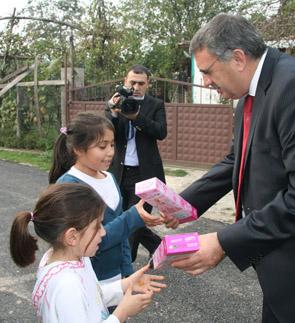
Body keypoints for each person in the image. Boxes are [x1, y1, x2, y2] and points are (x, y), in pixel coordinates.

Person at [171, 13, 295, 323]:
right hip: (285, 266)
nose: (205, 82)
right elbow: (234, 161)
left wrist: (224, 241)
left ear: (238, 58)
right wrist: (181, 205)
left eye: (208, 71)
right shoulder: (251, 95)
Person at [9, 183, 167, 322]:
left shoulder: (73, 258)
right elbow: (78, 297)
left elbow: (89, 298)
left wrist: (125, 285)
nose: (103, 232)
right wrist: (121, 313)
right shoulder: (67, 284)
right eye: (97, 226)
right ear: (72, 237)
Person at [48, 112, 175, 285]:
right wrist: (132, 217)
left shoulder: (110, 178)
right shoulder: (70, 186)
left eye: (113, 145)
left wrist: (126, 271)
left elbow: (122, 236)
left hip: (117, 277)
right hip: (89, 280)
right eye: (102, 147)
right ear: (78, 149)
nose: (110, 153)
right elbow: (91, 241)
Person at [105, 64, 167, 263]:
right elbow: (107, 132)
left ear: (147, 84)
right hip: (119, 172)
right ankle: (157, 245)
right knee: (122, 219)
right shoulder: (117, 102)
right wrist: (113, 113)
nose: (136, 86)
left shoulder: (155, 104)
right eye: (133, 82)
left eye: (141, 83)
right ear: (125, 82)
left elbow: (161, 132)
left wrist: (137, 117)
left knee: (134, 221)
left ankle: (125, 267)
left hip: (145, 174)